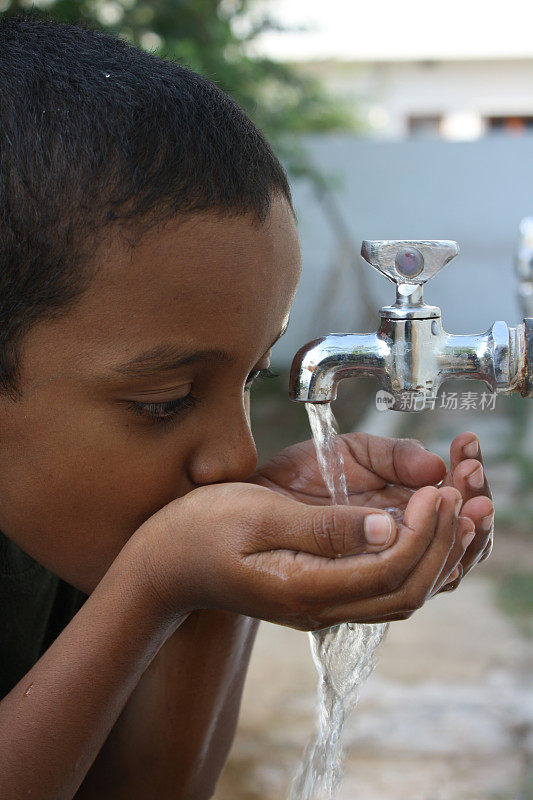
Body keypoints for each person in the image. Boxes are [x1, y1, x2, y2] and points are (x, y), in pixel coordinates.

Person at [0, 14, 494, 800]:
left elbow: (149, 789)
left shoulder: (63, 522)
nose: (231, 456)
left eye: (252, 377)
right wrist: (154, 585)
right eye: (163, 402)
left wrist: (222, 561)